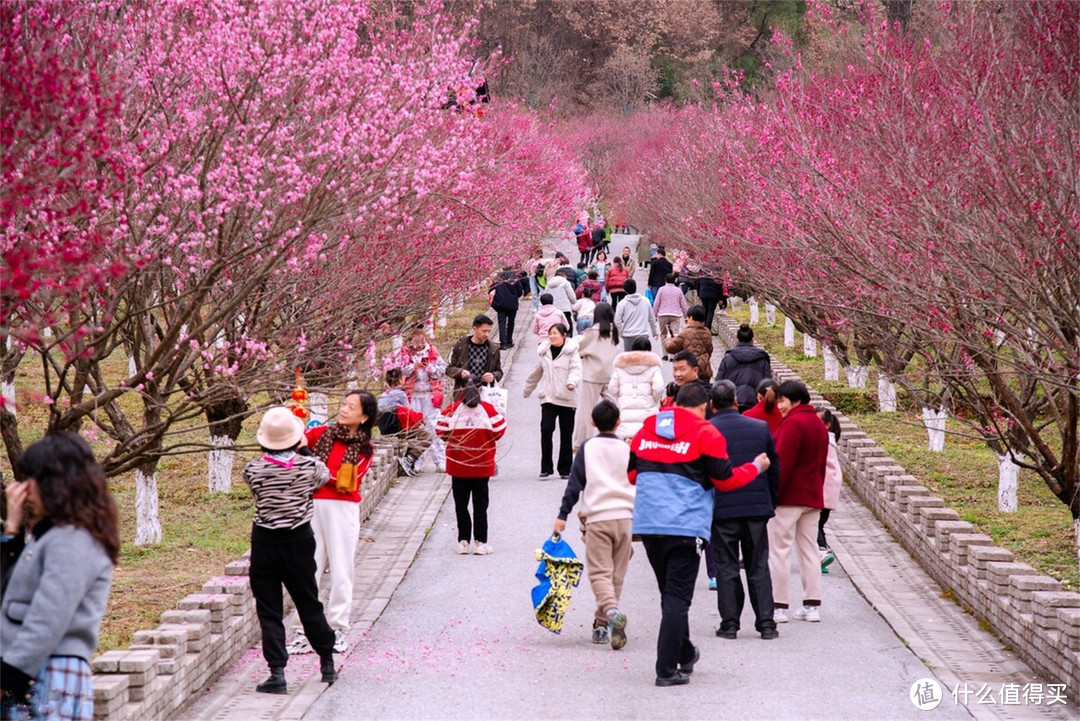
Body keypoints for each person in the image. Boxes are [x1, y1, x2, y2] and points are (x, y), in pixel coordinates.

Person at [629, 384, 771, 687]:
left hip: (649, 523)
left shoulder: (647, 429)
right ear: (705, 404)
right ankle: (666, 670)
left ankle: (686, 652)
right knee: (678, 599)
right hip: (685, 525)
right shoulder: (706, 433)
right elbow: (726, 481)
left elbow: (631, 475)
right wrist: (756, 467)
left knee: (669, 595)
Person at [1, 434, 119, 721]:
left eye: (32, 480)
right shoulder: (54, 536)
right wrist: (12, 533)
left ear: (56, 483)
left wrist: (7, 678)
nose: (25, 490)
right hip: (35, 671)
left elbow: (48, 617)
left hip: (43, 674)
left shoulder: (72, 540)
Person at [243, 408, 338, 694]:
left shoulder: (253, 469)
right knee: (308, 601)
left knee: (269, 610)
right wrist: (305, 452)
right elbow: (324, 477)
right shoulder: (309, 467)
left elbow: (257, 491)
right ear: (296, 440)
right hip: (299, 541)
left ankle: (277, 673)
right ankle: (327, 662)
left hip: (265, 543)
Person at [287, 390, 377, 656]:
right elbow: (298, 441)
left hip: (342, 508)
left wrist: (311, 462)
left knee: (341, 567)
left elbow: (344, 480)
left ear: (364, 417)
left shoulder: (364, 449)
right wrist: (293, 419)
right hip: (313, 505)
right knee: (307, 568)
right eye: (343, 404)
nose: (344, 409)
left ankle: (338, 626)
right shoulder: (323, 434)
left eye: (351, 407)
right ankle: (303, 630)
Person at [554, 400, 634, 649]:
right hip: (625, 518)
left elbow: (575, 484)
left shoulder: (588, 448)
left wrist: (563, 514)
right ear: (618, 423)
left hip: (598, 518)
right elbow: (639, 482)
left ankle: (609, 613)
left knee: (600, 573)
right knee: (616, 575)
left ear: (592, 423)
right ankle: (601, 624)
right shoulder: (627, 449)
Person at [708, 381, 781, 641]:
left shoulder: (708, 430)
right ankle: (766, 625)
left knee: (726, 566)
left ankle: (729, 624)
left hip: (722, 509)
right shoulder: (760, 428)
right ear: (736, 402)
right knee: (758, 565)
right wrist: (770, 501)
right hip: (756, 508)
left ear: (712, 405)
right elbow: (773, 468)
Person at [768, 380, 829, 624]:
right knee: (809, 551)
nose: (779, 406)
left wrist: (772, 495)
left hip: (788, 499)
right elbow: (823, 463)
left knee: (780, 551)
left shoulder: (792, 424)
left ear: (796, 400)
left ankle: (779, 606)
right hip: (812, 497)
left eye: (782, 400)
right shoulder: (818, 424)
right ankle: (812, 605)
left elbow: (781, 465)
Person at [436, 380, 507, 555]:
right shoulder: (488, 410)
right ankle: (481, 543)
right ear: (479, 390)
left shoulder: (452, 410)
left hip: (458, 465)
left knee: (461, 505)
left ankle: (463, 541)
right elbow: (500, 429)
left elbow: (440, 430)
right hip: (481, 465)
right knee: (480, 505)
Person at [383, 326, 447, 472]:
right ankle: (417, 461)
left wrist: (430, 368)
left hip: (430, 395)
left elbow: (444, 371)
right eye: (414, 340)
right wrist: (412, 367)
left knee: (434, 427)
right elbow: (396, 373)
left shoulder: (432, 352)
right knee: (415, 427)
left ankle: (440, 461)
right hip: (412, 395)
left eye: (420, 340)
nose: (418, 344)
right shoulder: (405, 353)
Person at [523, 324, 582, 480]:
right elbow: (537, 372)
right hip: (548, 397)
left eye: (555, 333)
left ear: (564, 335)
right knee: (546, 429)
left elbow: (577, 370)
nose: (552, 336)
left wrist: (572, 382)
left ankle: (565, 469)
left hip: (567, 398)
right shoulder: (545, 352)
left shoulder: (572, 352)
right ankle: (546, 468)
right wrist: (527, 390)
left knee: (566, 434)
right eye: (550, 333)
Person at [573, 302, 620, 448]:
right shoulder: (615, 331)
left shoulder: (592, 332)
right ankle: (621, 436)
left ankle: (580, 442)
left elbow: (579, 349)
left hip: (592, 375)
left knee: (585, 410)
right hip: (610, 374)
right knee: (617, 407)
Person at [377, 368, 434, 477]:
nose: (405, 379)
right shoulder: (400, 394)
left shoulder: (384, 394)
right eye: (403, 377)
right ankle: (408, 460)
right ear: (399, 380)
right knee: (426, 437)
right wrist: (421, 418)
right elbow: (409, 412)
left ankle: (408, 463)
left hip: (386, 428)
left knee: (413, 437)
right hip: (398, 427)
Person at [606, 336, 665, 441]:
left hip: (625, 413)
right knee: (645, 446)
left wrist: (620, 398)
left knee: (627, 446)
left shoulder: (620, 366)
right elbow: (659, 388)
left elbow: (612, 388)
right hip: (647, 413)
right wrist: (654, 400)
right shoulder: (653, 367)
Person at [716, 324, 772, 412]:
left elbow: (718, 382)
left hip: (732, 402)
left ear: (737, 340)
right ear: (753, 339)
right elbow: (768, 384)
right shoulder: (762, 359)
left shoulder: (728, 358)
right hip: (755, 403)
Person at [447, 315, 504, 397]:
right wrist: (460, 372)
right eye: (484, 331)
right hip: (464, 392)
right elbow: (449, 369)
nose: (487, 334)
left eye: (489, 331)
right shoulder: (461, 346)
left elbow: (499, 371)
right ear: (474, 329)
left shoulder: (493, 349)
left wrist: (493, 376)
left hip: (485, 393)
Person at [818, 408, 842, 573]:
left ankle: (821, 552)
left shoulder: (822, 440)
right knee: (818, 524)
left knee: (813, 524)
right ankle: (821, 555)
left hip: (822, 488)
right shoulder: (829, 440)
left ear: (827, 425)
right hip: (828, 489)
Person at [662, 305, 713, 380]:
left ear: (691, 318)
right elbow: (710, 350)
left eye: (688, 317)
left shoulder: (685, 333)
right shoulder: (707, 332)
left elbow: (670, 348)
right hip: (704, 372)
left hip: (690, 372)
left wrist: (668, 339)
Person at [613, 279, 657, 351]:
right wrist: (654, 332)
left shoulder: (622, 304)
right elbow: (651, 318)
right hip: (643, 334)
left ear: (625, 290)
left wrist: (621, 333)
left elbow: (617, 321)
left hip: (628, 335)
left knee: (629, 359)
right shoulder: (646, 301)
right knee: (643, 359)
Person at [489, 267, 523, 350]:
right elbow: (520, 292)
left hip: (501, 304)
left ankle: (503, 343)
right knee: (511, 322)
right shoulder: (515, 279)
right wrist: (514, 296)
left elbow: (491, 290)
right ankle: (509, 341)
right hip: (512, 304)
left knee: (501, 323)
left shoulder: (498, 279)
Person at [652, 274, 688, 343]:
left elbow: (656, 303)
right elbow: (683, 304)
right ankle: (673, 352)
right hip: (675, 315)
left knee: (663, 335)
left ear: (665, 280)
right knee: (675, 335)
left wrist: (655, 315)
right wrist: (686, 316)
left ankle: (665, 353)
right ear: (674, 280)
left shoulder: (661, 289)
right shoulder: (678, 290)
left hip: (663, 314)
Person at [545, 269, 577, 336]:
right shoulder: (565, 282)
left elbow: (545, 295)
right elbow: (571, 295)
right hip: (565, 308)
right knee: (567, 327)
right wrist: (574, 302)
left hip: (553, 309)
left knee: (555, 327)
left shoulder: (549, 284)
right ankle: (568, 340)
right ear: (564, 275)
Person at [696, 270, 725, 334]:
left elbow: (698, 282)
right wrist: (720, 298)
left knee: (705, 311)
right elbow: (719, 286)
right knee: (710, 312)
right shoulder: (715, 271)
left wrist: (699, 294)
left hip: (703, 293)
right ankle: (708, 329)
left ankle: (703, 327)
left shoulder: (702, 270)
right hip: (713, 295)